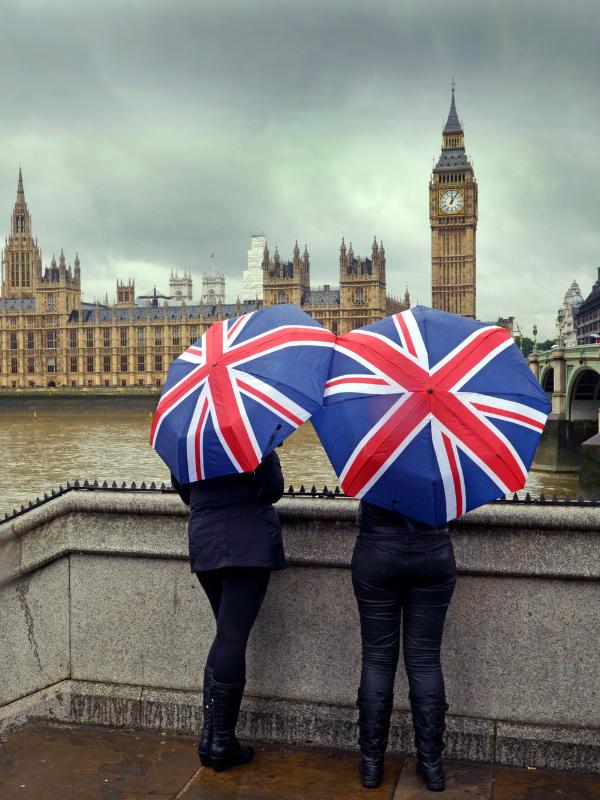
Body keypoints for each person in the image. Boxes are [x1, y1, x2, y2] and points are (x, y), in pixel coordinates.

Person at [171, 450, 286, 773]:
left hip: (205, 538)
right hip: (248, 540)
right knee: (232, 638)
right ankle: (221, 741)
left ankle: (210, 738)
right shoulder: (252, 437)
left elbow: (185, 492)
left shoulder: (187, 437)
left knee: (225, 635)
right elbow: (274, 489)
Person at [352, 499, 457, 792]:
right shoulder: (443, 459)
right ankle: (432, 765)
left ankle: (372, 765)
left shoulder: (373, 454)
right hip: (433, 554)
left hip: (377, 552)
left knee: (376, 659)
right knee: (425, 660)